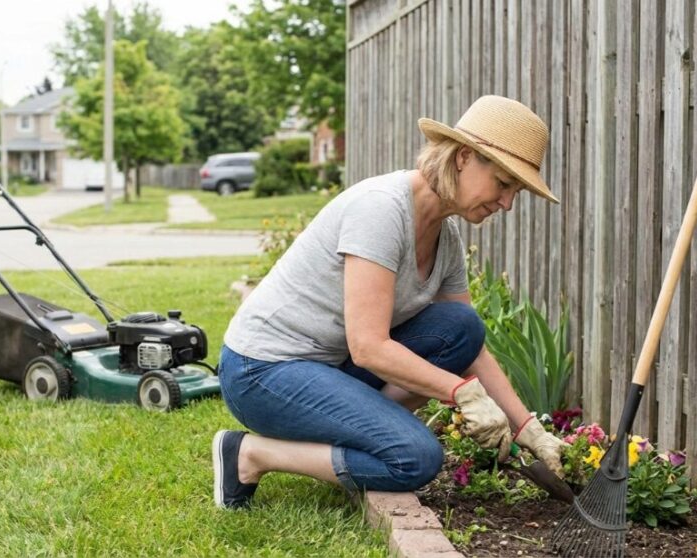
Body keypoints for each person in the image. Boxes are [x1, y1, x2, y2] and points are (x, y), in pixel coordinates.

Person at [212, 95, 567, 509]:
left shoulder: (445, 239)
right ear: (464, 158)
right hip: (262, 372)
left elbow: (470, 349)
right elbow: (368, 346)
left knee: (462, 328)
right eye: (504, 184)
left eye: (516, 192)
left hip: (326, 368)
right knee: (414, 458)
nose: (507, 203)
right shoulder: (381, 210)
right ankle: (249, 454)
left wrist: (529, 430)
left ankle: (365, 428)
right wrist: (462, 394)